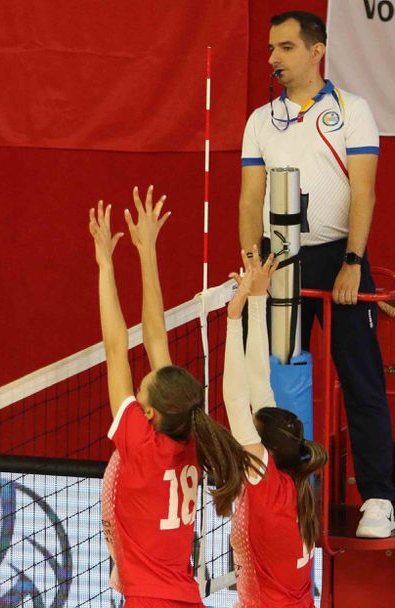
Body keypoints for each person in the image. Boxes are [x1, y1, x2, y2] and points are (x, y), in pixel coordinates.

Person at [238, 10, 394, 538]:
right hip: (278, 262)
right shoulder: (261, 120)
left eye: (285, 48)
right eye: (270, 49)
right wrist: (251, 261)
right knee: (275, 379)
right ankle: (284, 492)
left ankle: (379, 498)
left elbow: (364, 191)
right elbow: (251, 196)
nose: (273, 58)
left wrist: (352, 261)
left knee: (362, 378)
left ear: (316, 51)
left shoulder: (352, 110)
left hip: (338, 259)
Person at [90, 187, 260, 608]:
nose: (139, 385)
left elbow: (116, 347)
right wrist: (147, 252)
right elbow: (155, 339)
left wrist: (105, 264)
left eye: (141, 390)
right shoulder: (188, 435)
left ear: (148, 413)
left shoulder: (141, 444)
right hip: (183, 597)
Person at [224, 246, 328, 607]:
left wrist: (234, 319)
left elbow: (237, 399)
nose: (245, 435)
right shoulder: (289, 482)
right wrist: (257, 302)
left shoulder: (269, 485)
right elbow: (259, 383)